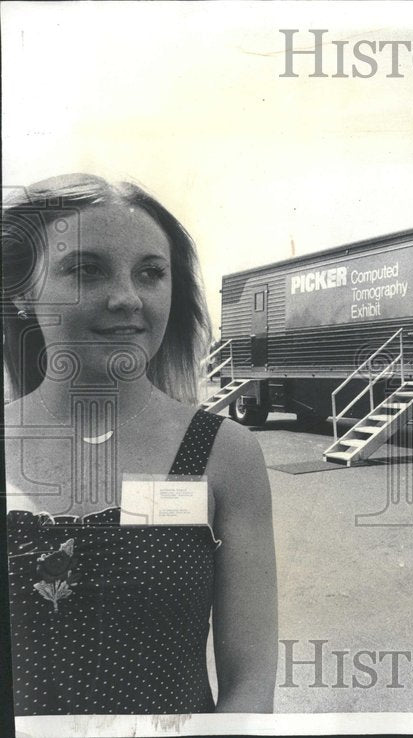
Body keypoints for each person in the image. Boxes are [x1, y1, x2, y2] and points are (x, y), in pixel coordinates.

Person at [2, 174, 277, 714]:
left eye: (151, 274)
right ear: (20, 296)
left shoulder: (225, 454)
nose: (127, 298)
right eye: (86, 269)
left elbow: (250, 682)